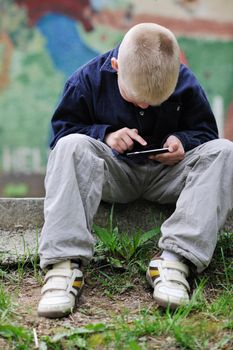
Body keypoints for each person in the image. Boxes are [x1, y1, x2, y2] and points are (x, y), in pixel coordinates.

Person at [37, 23, 233, 318]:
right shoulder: (86, 80)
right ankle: (63, 266)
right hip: (112, 174)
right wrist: (104, 135)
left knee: (225, 151)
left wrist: (182, 141)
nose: (144, 104)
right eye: (135, 97)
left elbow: (206, 133)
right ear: (115, 67)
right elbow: (61, 134)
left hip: (166, 177)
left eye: (156, 101)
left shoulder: (185, 81)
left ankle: (174, 262)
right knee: (71, 146)